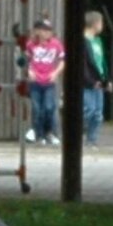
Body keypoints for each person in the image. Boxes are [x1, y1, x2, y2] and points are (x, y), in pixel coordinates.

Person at [20, 16, 66, 144]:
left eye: (48, 30)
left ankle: (50, 132)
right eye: (44, 30)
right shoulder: (31, 45)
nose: (46, 33)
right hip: (35, 81)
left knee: (49, 107)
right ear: (37, 31)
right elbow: (26, 61)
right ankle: (38, 134)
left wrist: (56, 73)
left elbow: (62, 61)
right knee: (36, 108)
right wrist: (29, 71)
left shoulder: (56, 44)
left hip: (49, 81)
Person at [81, 10, 111, 148]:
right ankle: (79, 135)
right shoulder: (83, 41)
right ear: (95, 23)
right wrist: (91, 81)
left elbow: (102, 62)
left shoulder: (98, 41)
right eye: (101, 22)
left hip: (100, 82)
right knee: (88, 110)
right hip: (89, 82)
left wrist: (107, 79)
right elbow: (84, 65)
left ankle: (92, 140)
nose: (102, 25)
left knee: (98, 113)